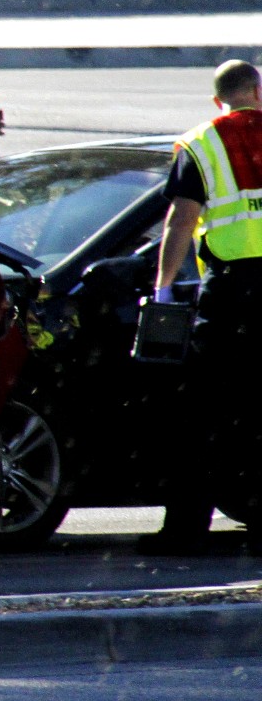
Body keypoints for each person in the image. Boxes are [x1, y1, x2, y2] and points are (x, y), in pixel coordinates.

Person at [143, 58, 262, 557]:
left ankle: (187, 528)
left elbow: (180, 223)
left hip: (234, 294)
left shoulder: (203, 144)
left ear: (219, 100)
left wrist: (165, 289)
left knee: (203, 412)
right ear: (258, 92)